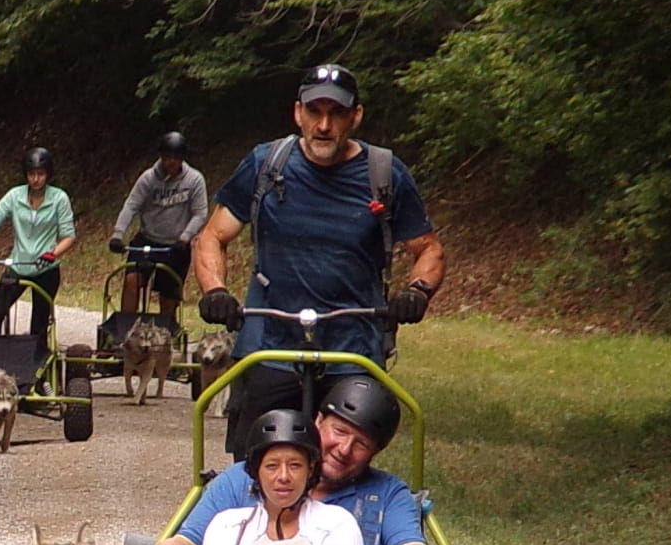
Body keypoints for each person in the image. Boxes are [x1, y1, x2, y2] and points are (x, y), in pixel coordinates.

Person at [191, 63, 446, 460]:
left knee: (344, 464)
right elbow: (212, 235)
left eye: (337, 113)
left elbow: (428, 248)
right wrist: (215, 291)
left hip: (352, 347)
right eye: (314, 111)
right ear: (298, 113)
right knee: (258, 465)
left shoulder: (384, 174)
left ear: (355, 116)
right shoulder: (266, 164)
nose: (324, 125)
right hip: (270, 344)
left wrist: (416, 292)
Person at [144, 374, 433, 545]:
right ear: (318, 422)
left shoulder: (384, 496)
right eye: (339, 431)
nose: (344, 449)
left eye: (361, 444)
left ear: (375, 453)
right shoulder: (237, 484)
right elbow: (187, 544)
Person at [155, 408, 363, 545]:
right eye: (272, 466)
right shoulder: (229, 523)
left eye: (295, 466)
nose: (283, 477)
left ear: (310, 471)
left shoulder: (336, 523)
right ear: (257, 472)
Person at [0, 146, 77, 339]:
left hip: (46, 269)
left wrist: (52, 254)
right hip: (18, 266)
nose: (36, 179)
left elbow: (69, 236)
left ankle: (36, 365)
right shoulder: (14, 196)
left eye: (40, 174)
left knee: (39, 324)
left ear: (48, 175)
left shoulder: (59, 198)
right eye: (31, 174)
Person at [108, 132, 209, 324]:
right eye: (167, 158)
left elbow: (200, 213)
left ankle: (165, 335)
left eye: (176, 158)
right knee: (132, 280)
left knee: (168, 295)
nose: (171, 162)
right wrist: (117, 235)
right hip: (147, 238)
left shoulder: (194, 180)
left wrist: (185, 237)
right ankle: (126, 328)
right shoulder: (148, 178)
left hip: (176, 245)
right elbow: (131, 205)